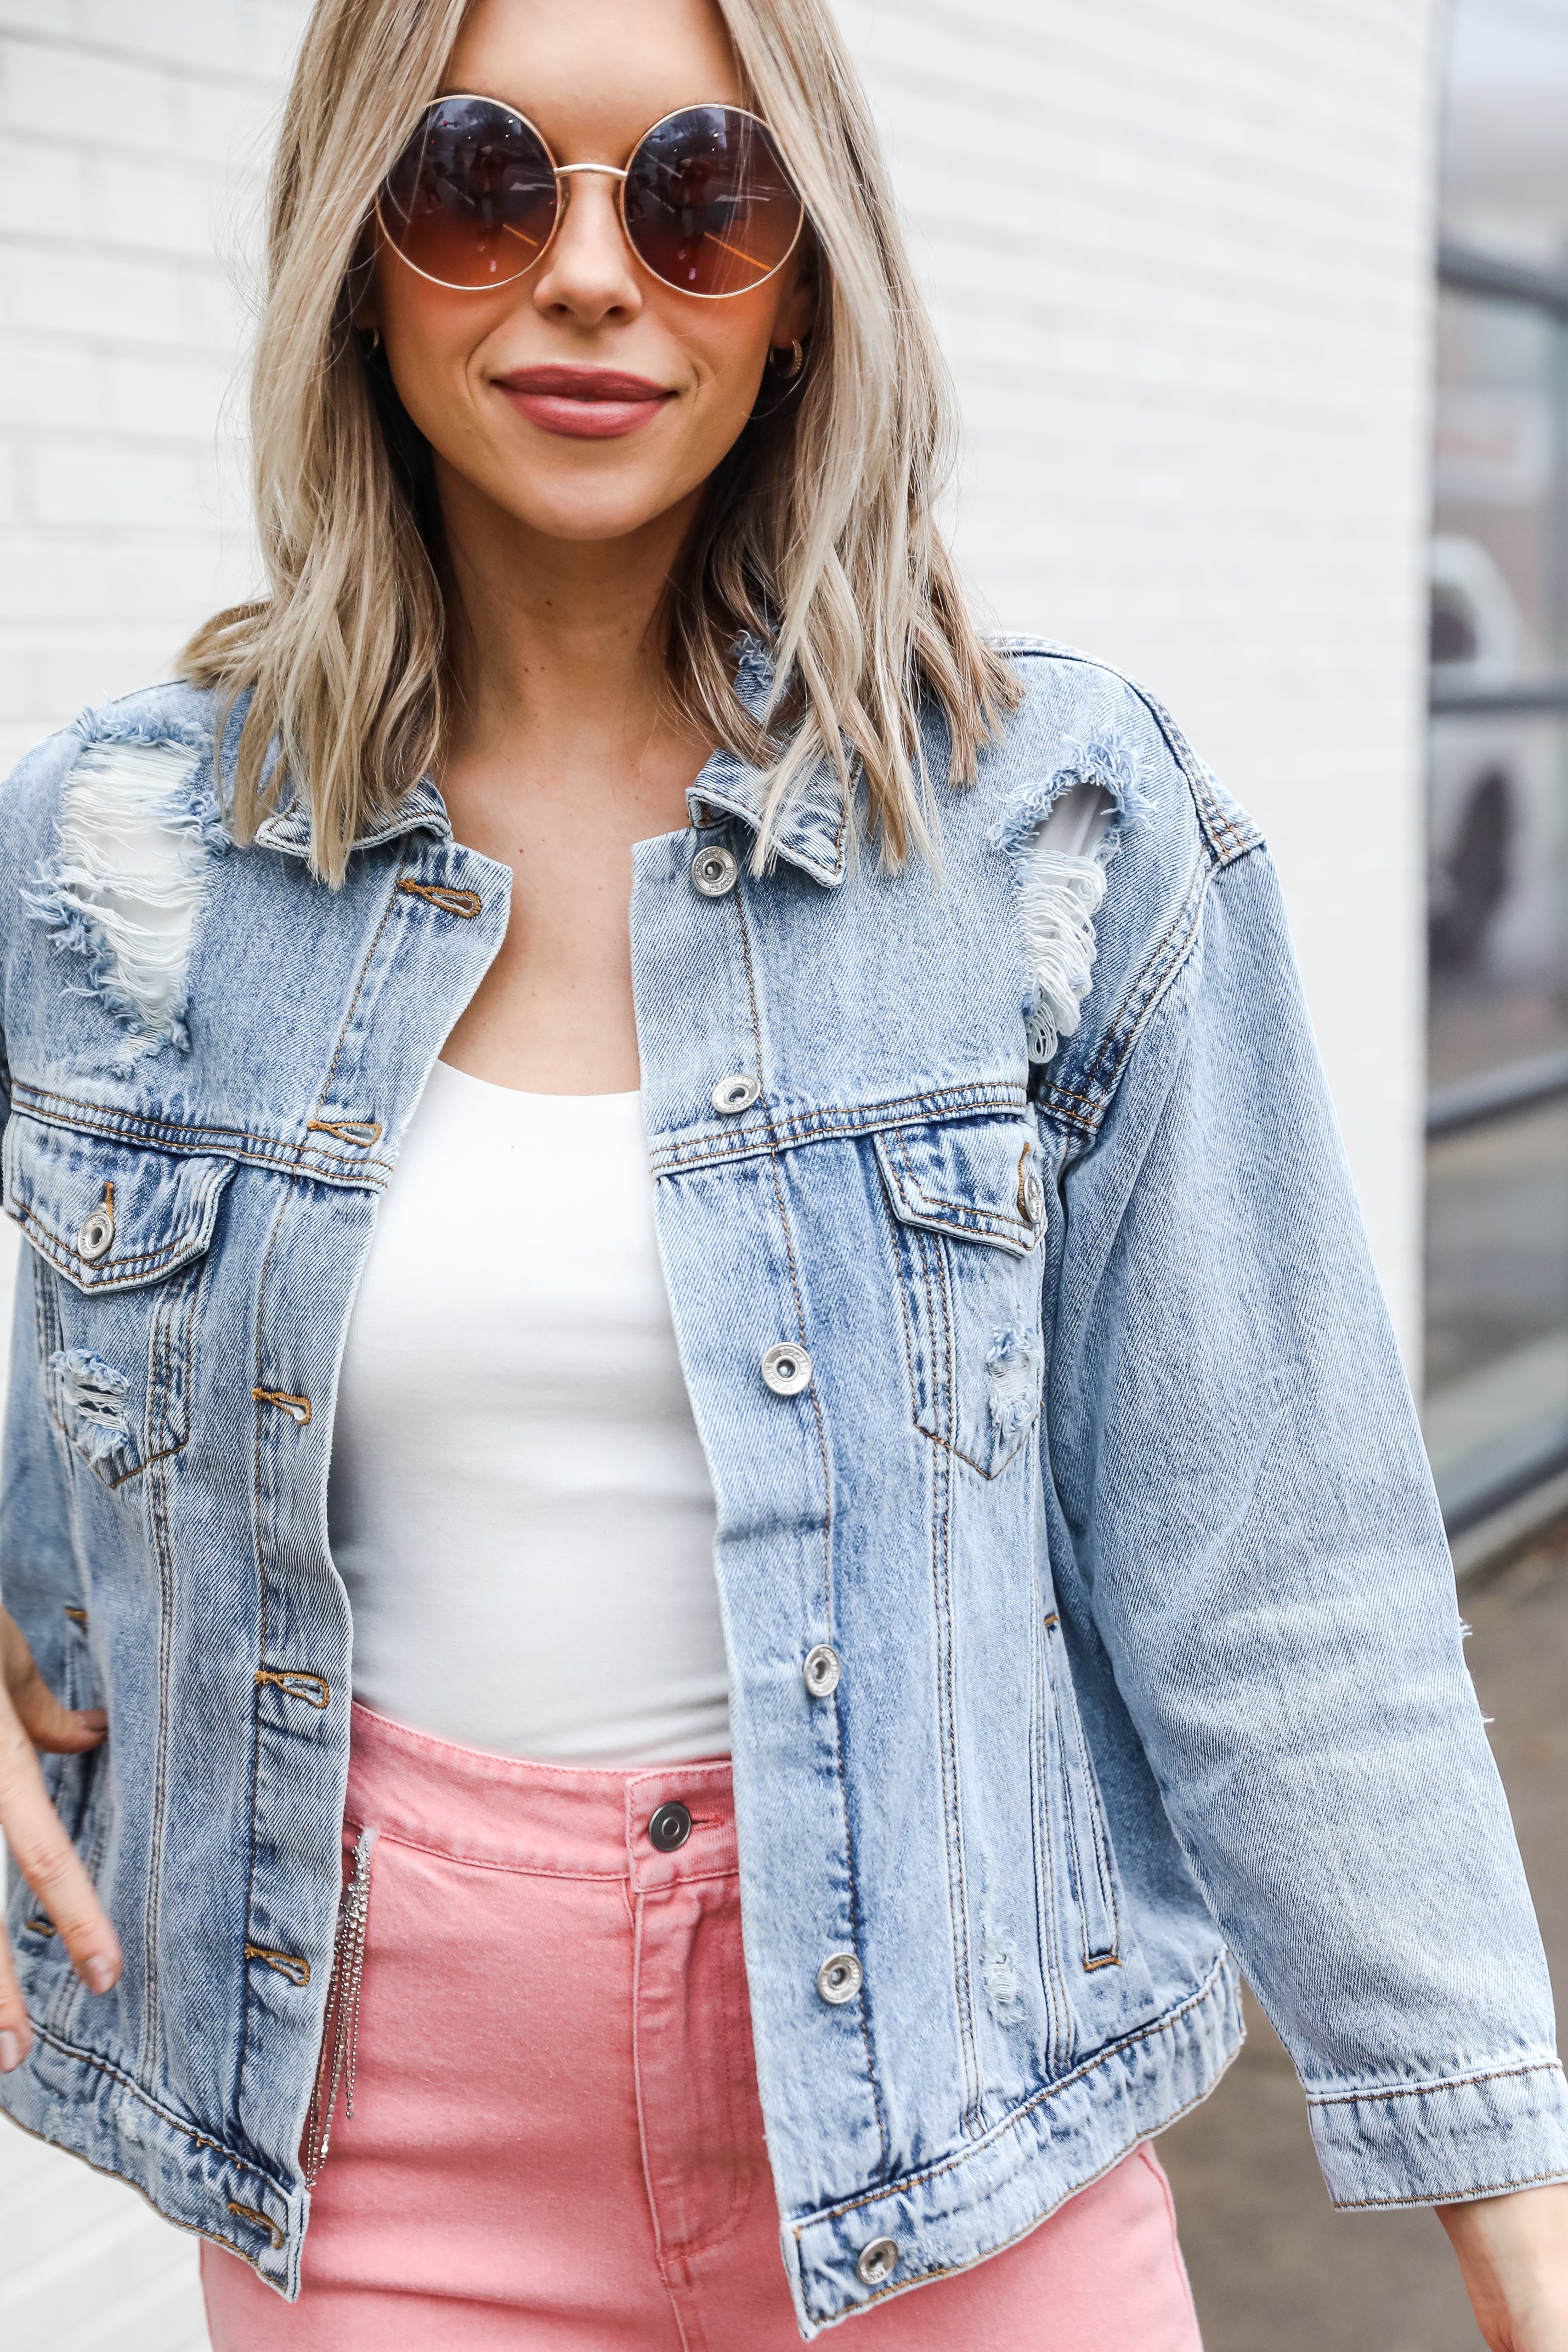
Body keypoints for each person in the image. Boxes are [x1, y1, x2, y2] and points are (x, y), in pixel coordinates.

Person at [0, 0, 1565, 2343]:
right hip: (372, 2181)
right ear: (356, 247)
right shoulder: (133, 845)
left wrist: (1515, 2215)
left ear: (807, 273)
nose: (597, 275)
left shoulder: (1052, 826)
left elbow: (1279, 1577)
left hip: (965, 2158)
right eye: (482, 181)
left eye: (702, 191)